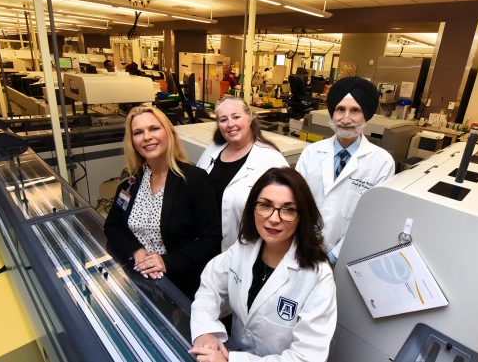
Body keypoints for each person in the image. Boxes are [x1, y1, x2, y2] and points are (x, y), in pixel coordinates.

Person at [190, 167, 336, 362]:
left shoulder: (318, 276)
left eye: (288, 209)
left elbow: (306, 357)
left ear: (302, 216)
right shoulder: (245, 247)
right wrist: (205, 330)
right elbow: (210, 284)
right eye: (266, 205)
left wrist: (230, 361)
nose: (274, 219)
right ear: (253, 208)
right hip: (232, 351)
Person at [104, 106, 221, 298]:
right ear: (132, 141)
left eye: (154, 128)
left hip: (181, 286)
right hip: (140, 280)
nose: (147, 137)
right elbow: (112, 226)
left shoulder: (193, 179)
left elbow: (213, 238)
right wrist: (136, 252)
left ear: (169, 133)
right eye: (138, 132)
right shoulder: (131, 183)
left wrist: (168, 262)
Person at [295, 76, 395, 262]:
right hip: (300, 248)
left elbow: (371, 220)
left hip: (341, 256)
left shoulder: (382, 162)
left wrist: (333, 257)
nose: (346, 118)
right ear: (332, 113)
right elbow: (294, 201)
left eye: (355, 110)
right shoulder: (311, 152)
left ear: (366, 115)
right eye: (340, 109)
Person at [197, 97, 288, 251]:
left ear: (250, 118)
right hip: (203, 244)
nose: (230, 124)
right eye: (223, 119)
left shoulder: (272, 159)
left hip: (244, 249)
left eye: (236, 117)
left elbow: (286, 212)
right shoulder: (213, 149)